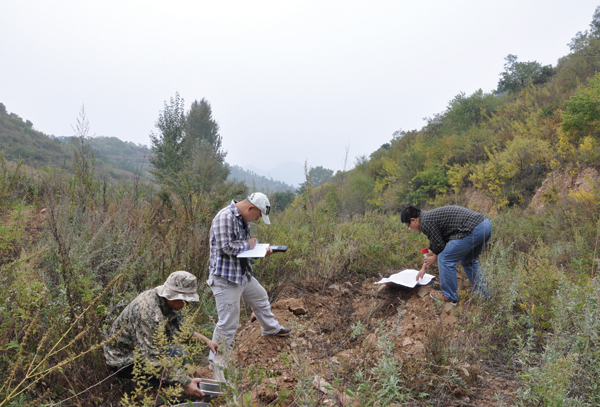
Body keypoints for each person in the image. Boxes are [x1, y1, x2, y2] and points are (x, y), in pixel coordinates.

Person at [207, 192, 291, 368]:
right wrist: (250, 245)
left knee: (260, 296)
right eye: (258, 216)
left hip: (242, 275)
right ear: (250, 208)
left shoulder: (243, 219)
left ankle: (270, 329)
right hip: (226, 279)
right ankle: (216, 365)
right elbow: (226, 247)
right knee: (228, 323)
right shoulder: (225, 217)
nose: (257, 219)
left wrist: (260, 251)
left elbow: (241, 251)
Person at [104, 271, 219, 398]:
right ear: (174, 296)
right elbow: (152, 358)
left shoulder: (162, 301)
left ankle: (161, 382)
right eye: (185, 300)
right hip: (121, 361)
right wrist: (186, 383)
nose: (187, 304)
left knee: (177, 354)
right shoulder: (149, 313)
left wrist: (207, 341)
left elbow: (180, 326)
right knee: (176, 354)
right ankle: (140, 388)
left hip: (136, 351)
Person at [401, 205, 492, 304]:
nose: (410, 229)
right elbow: (435, 245)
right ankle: (484, 295)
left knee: (444, 258)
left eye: (408, 226)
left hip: (473, 229)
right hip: (485, 225)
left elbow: (439, 246)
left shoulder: (425, 222)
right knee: (468, 261)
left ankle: (450, 296)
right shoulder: (428, 217)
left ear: (413, 220)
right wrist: (423, 268)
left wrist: (434, 258)